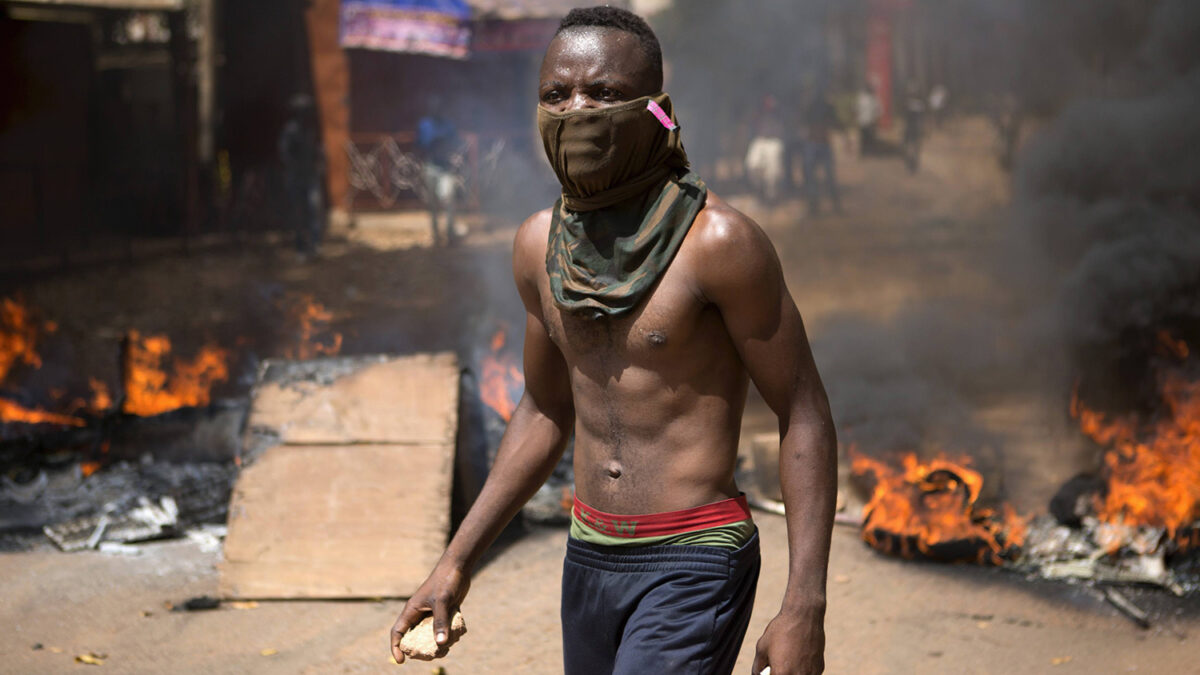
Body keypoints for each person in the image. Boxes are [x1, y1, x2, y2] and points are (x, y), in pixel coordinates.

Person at [390, 7, 836, 675]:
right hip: (589, 555)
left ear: (657, 110)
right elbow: (543, 410)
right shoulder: (539, 244)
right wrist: (455, 559)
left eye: (601, 93)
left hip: (694, 556)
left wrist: (804, 604)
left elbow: (803, 411)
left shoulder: (719, 243)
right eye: (555, 95)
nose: (575, 111)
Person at [278, 94, 327, 255]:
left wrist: (319, 163)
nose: (305, 114)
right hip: (296, 178)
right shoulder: (290, 131)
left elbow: (318, 150)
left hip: (311, 176)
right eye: (302, 111)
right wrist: (295, 167)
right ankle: (300, 246)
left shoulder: (310, 130)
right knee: (298, 213)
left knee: (313, 210)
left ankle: (315, 244)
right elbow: (285, 154)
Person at [417, 96, 463, 245]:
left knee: (448, 198)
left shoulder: (448, 125)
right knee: (432, 203)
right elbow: (419, 144)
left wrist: (455, 156)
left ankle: (450, 232)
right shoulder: (424, 125)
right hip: (430, 166)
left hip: (446, 168)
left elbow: (456, 142)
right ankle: (436, 234)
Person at [800, 90, 842, 215]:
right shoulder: (812, 107)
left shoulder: (826, 107)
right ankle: (815, 205)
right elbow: (803, 124)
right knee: (812, 176)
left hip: (821, 143)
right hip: (814, 143)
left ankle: (833, 204)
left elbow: (837, 122)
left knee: (827, 176)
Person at [744, 94, 787, 204]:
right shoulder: (758, 113)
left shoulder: (779, 114)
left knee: (773, 172)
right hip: (760, 140)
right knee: (752, 165)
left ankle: (771, 197)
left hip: (774, 141)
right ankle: (760, 191)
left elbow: (782, 128)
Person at [854, 83, 880, 157]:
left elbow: (878, 110)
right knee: (865, 138)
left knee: (868, 139)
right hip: (866, 122)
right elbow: (856, 109)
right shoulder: (864, 98)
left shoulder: (872, 98)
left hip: (868, 122)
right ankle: (864, 153)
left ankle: (867, 153)